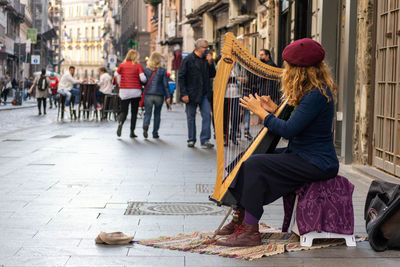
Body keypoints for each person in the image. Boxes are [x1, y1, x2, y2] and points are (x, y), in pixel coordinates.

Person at [215, 38, 339, 247]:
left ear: (299, 70)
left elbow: (289, 131)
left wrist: (262, 114)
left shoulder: (316, 94)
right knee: (246, 160)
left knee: (255, 165)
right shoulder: (310, 91)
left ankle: (250, 231)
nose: (285, 71)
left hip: (318, 162)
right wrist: (274, 111)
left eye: (288, 67)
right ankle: (240, 219)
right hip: (303, 154)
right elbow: (297, 124)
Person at [179, 38, 216, 148]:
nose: (207, 50)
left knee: (207, 116)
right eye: (205, 47)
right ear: (198, 48)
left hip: (204, 93)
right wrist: (184, 93)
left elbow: (212, 74)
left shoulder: (206, 60)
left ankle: (205, 140)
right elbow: (181, 77)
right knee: (191, 117)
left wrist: (210, 63)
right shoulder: (188, 59)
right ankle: (191, 139)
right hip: (191, 93)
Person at [115, 49, 147, 138]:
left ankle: (121, 122)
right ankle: (132, 132)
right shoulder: (138, 66)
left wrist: (120, 84)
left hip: (124, 91)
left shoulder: (121, 65)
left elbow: (116, 75)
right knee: (134, 112)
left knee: (123, 111)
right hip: (135, 92)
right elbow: (143, 78)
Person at [142, 52, 171, 139]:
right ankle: (155, 133)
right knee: (157, 114)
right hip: (159, 95)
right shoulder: (162, 70)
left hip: (148, 95)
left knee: (148, 113)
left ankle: (145, 125)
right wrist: (168, 96)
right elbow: (165, 84)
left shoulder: (146, 70)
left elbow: (143, 82)